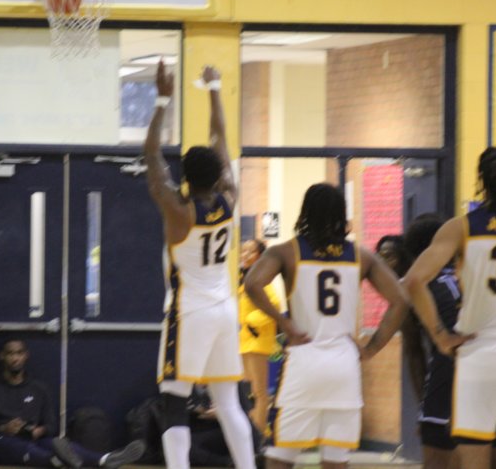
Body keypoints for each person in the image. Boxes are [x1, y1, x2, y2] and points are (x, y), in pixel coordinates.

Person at [244, 183, 408, 469]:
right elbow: (401, 300)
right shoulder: (362, 256)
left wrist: (284, 322)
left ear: (305, 212)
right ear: (341, 214)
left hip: (303, 362)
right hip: (344, 366)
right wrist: (372, 348)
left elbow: (252, 284)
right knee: (336, 460)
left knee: (281, 457)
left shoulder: (286, 252)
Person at [403, 146, 496, 469]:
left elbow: (413, 281)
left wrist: (441, 336)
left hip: (478, 352)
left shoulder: (462, 228)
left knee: (474, 455)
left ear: (483, 180)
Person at [145, 61, 257, 469]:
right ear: (218, 173)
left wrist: (162, 100)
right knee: (228, 402)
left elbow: (151, 156)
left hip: (190, 311)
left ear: (185, 177)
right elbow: (220, 138)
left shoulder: (179, 211)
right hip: (225, 308)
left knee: (175, 400)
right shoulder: (230, 195)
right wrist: (214, 88)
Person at [401, 215, 496, 469]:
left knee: (436, 462)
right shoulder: (475, 275)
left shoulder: (414, 285)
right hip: (492, 367)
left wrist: (424, 409)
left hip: (448, 368)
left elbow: (414, 353)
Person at [0, 339, 145, 468]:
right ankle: (59, 461)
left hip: (34, 439)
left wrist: (39, 430)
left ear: (26, 355)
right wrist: (2, 428)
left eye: (19, 353)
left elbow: (51, 425)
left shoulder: (39, 388)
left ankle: (104, 459)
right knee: (16, 446)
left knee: (56, 443)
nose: (15, 358)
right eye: (10, 354)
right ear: (1, 356)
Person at [238, 239, 280, 433]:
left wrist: (252, 322)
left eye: (250, 251)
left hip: (258, 342)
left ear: (260, 256)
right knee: (248, 393)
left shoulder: (261, 278)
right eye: (243, 251)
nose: (245, 255)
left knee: (259, 392)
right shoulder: (246, 278)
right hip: (245, 343)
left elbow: (275, 304)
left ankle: (260, 434)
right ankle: (251, 432)